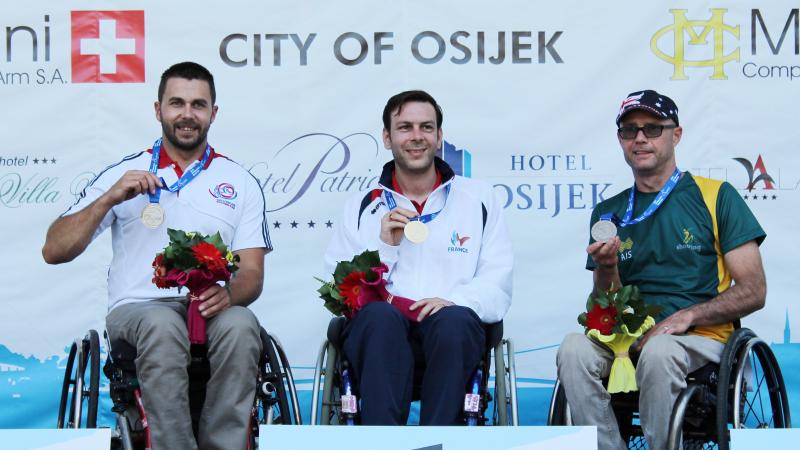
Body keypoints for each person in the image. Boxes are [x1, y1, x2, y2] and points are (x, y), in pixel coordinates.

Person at [42, 62, 270, 450]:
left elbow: (251, 272)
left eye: (198, 105)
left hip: (208, 308)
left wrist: (230, 295)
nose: (187, 114)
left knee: (243, 324)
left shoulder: (240, 181)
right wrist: (109, 198)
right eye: (176, 103)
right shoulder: (123, 173)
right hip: (139, 310)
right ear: (158, 109)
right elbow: (54, 250)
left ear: (213, 113)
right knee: (161, 326)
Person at [556, 90, 767, 450]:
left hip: (700, 338)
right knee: (573, 349)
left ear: (677, 135)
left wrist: (686, 316)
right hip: (628, 339)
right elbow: (604, 306)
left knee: (660, 351)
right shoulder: (608, 212)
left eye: (653, 128)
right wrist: (607, 268)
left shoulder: (717, 195)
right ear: (621, 140)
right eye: (629, 130)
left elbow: (753, 290)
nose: (640, 138)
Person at [324, 90, 513, 425]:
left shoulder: (480, 198)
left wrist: (454, 301)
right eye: (405, 127)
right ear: (387, 137)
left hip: (453, 336)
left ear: (439, 137)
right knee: (380, 319)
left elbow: (497, 281)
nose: (416, 137)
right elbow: (341, 292)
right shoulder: (360, 205)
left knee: (454, 321)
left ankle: (441, 442)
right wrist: (386, 247)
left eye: (426, 127)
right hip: (382, 340)